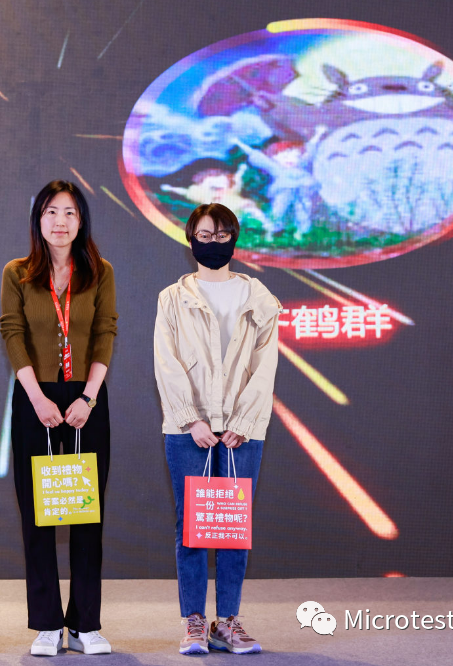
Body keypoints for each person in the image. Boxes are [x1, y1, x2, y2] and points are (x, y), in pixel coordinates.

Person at [153, 202, 282, 655]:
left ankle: (227, 622)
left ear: (235, 239)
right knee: (190, 525)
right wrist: (192, 419)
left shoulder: (260, 298)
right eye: (205, 236)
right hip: (187, 430)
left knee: (233, 525)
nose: (214, 243)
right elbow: (166, 362)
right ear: (191, 239)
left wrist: (243, 422)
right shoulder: (172, 298)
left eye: (222, 235)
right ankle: (193, 620)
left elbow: (266, 366)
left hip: (242, 433)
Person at [0, 180, 118, 656]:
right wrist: (37, 398)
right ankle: (47, 623)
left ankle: (85, 623)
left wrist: (88, 398)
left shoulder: (101, 272)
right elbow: (12, 333)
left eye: (69, 212)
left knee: (87, 513)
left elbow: (106, 333)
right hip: (36, 398)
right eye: (51, 212)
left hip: (86, 400)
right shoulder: (17, 272)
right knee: (38, 514)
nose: (60, 221)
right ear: (38, 220)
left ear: (81, 220)